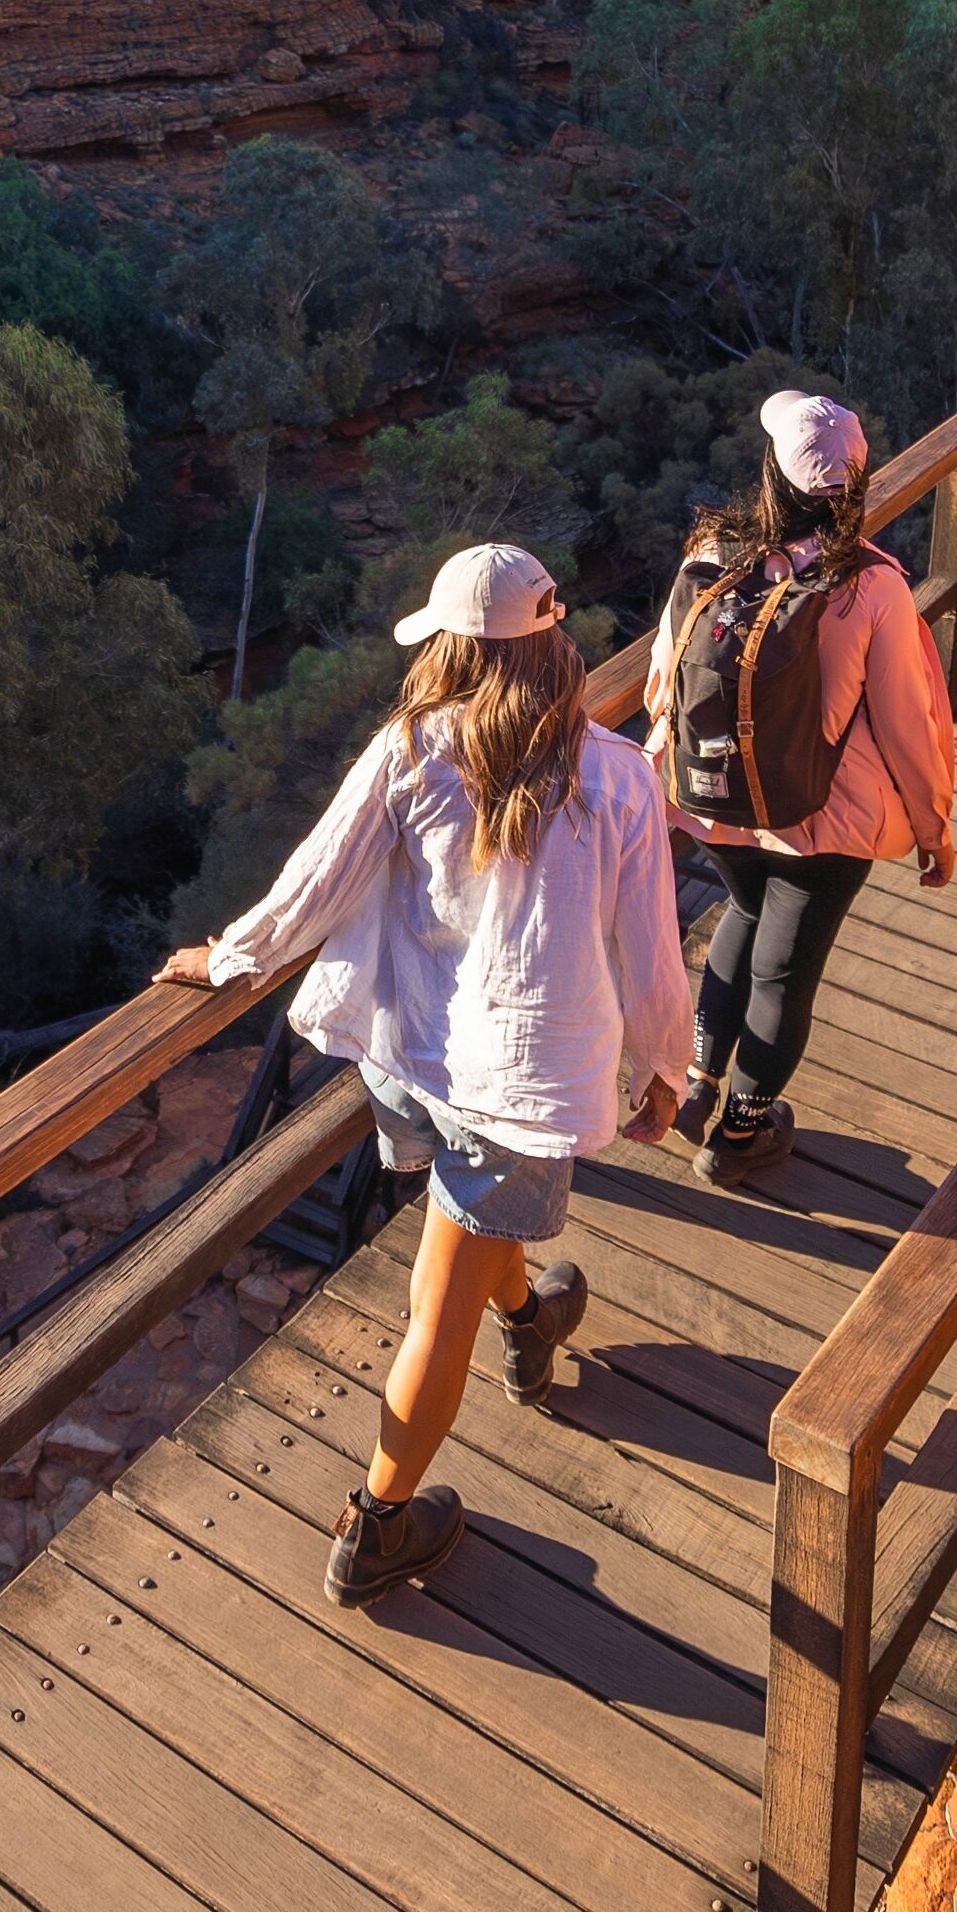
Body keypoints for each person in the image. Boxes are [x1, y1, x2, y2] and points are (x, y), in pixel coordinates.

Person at [159, 541, 686, 1606]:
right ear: (552, 645)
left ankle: (531, 1318)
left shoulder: (411, 747)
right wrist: (663, 1068)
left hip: (409, 1061)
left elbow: (318, 878)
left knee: (464, 1235)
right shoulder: (617, 775)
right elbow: (650, 945)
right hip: (519, 1088)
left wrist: (231, 958)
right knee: (434, 1305)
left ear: (452, 649)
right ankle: (379, 1525)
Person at [644, 389, 957, 1191]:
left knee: (744, 915)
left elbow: (663, 683)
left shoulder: (710, 554)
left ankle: (700, 1082)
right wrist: (933, 827)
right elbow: (905, 724)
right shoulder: (871, 586)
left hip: (713, 799)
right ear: (853, 487)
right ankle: (740, 1136)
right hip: (823, 817)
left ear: (771, 475)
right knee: (787, 975)